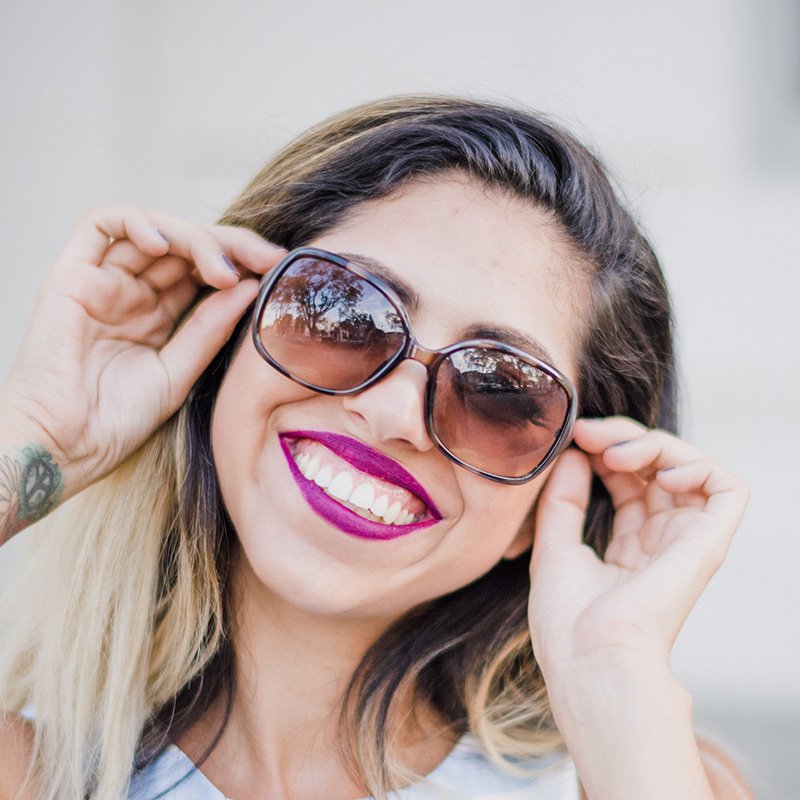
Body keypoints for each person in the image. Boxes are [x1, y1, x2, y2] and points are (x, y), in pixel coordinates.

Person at [0, 96, 753, 800]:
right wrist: (39, 436)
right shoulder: (31, 774)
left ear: (552, 498)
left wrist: (615, 680)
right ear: (225, 343)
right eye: (343, 313)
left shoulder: (645, 772)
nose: (394, 414)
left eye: (499, 392)